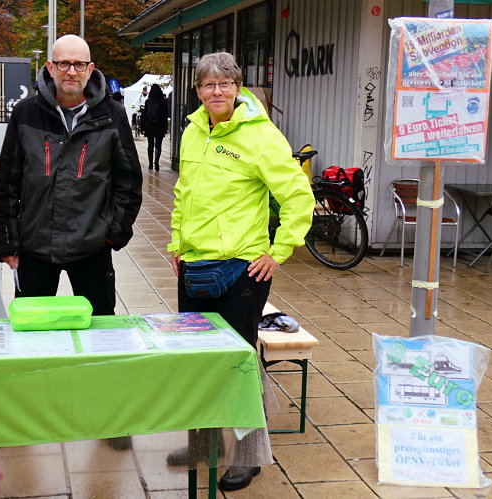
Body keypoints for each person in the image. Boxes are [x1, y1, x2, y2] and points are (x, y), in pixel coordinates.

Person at [166, 52, 314, 491]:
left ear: (238, 87)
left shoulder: (260, 135)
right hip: (195, 266)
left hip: (241, 269)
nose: (217, 92)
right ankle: (201, 448)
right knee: (197, 361)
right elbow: (184, 193)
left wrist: (279, 250)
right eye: (208, 85)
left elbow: (297, 195)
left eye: (225, 84)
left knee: (241, 363)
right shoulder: (193, 132)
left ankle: (248, 456)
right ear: (197, 91)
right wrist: (177, 243)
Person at [0, 35, 142, 448]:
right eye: (63, 64)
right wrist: (7, 242)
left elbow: (128, 181)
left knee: (103, 332)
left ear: (91, 69)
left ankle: (110, 416)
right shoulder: (25, 114)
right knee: (30, 334)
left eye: (79, 64)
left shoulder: (111, 116)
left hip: (91, 247)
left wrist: (113, 232)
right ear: (50, 67)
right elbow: (6, 181)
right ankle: (24, 416)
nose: (71, 71)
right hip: (35, 246)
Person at [141, 84, 169, 171]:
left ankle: (150, 163)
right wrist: (165, 127)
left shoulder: (148, 101)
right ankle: (156, 162)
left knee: (150, 144)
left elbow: (144, 115)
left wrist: (143, 127)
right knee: (158, 144)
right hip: (159, 125)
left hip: (149, 125)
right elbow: (165, 115)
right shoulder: (163, 101)